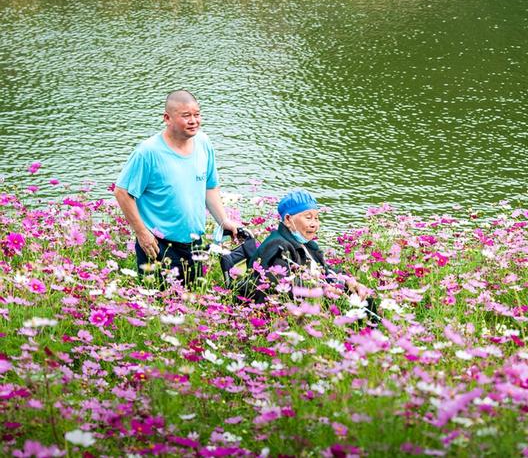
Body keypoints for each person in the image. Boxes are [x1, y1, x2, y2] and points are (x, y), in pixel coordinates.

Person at [114, 90, 237, 285]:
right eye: (186, 116)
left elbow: (210, 187)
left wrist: (223, 221)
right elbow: (122, 192)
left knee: (192, 304)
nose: (193, 121)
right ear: (167, 118)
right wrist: (142, 233)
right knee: (158, 306)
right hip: (158, 245)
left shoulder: (204, 143)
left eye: (197, 114)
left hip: (194, 245)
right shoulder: (148, 152)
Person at [247, 190, 373, 309]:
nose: (314, 224)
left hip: (312, 298)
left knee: (364, 297)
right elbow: (276, 280)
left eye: (316, 218)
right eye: (308, 218)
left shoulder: (306, 244)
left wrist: (348, 281)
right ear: (288, 219)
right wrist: (320, 289)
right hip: (283, 308)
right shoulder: (277, 245)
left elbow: (325, 271)